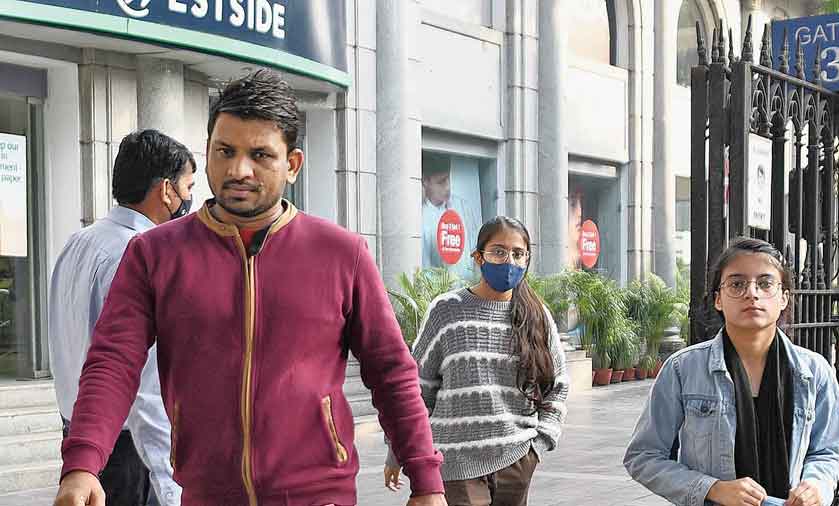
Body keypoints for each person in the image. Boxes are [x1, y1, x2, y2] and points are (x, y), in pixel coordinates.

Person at [53, 69, 447, 506]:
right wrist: (83, 463)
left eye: (260, 155)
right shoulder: (154, 254)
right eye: (226, 151)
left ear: (292, 164)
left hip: (319, 496)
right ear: (208, 153)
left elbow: (391, 371)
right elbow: (113, 361)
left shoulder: (340, 253)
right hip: (205, 493)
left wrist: (426, 480)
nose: (239, 169)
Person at [623, 237, 839, 506]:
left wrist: (816, 485)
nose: (752, 293)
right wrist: (713, 488)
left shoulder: (814, 372)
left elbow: (827, 450)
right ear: (718, 299)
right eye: (737, 284)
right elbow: (642, 456)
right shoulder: (683, 369)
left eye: (765, 284)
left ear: (783, 298)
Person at [48, 129, 195, 506]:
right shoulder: (139, 257)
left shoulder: (78, 242)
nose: (191, 200)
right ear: (166, 190)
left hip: (82, 437)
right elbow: (146, 390)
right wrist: (171, 489)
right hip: (130, 450)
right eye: (188, 186)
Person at [385, 216, 569, 506]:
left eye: (518, 254)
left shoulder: (537, 316)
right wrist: (397, 451)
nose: (508, 260)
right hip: (455, 462)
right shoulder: (446, 311)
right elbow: (417, 388)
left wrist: (540, 442)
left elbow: (557, 385)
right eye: (498, 251)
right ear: (478, 256)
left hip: (516, 459)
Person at [421, 162, 482, 280]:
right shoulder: (421, 216)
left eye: (448, 179)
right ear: (425, 181)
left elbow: (477, 248)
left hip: (467, 288)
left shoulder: (463, 207)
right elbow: (424, 265)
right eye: (441, 182)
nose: (448, 187)